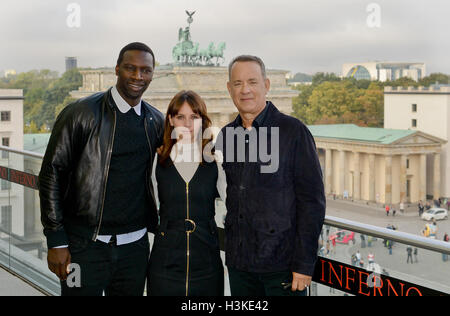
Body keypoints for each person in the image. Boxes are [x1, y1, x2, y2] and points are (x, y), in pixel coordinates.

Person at [39, 42, 164, 296]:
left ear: (152, 74)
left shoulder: (155, 121)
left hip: (135, 250)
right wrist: (56, 240)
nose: (138, 76)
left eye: (145, 70)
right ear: (117, 69)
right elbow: (51, 174)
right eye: (130, 68)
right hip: (83, 247)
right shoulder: (80, 113)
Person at [217, 55, 325, 296]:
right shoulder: (226, 136)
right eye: (237, 83)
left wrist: (304, 264)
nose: (245, 90)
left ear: (266, 85)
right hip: (240, 266)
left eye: (252, 82)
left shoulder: (293, 131)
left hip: (282, 269)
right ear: (229, 89)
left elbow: (312, 202)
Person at [147, 90, 225, 296]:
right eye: (180, 116)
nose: (188, 124)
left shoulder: (216, 159)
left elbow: (234, 203)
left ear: (202, 121)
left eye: (194, 117)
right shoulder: (157, 159)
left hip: (206, 263)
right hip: (165, 264)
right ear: (171, 120)